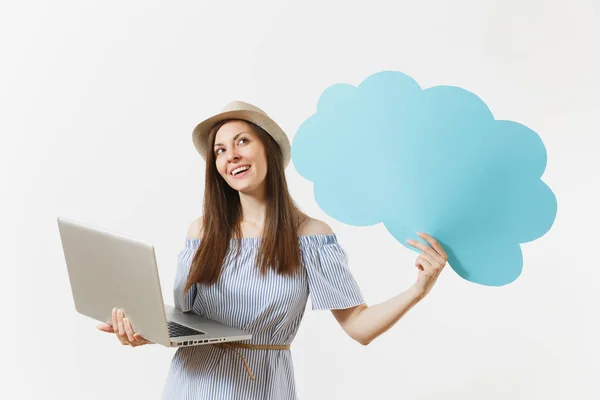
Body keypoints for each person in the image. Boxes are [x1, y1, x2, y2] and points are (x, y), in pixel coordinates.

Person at [97, 101, 449, 399]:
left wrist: (418, 289)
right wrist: (145, 332)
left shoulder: (310, 236)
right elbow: (186, 325)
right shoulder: (201, 232)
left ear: (269, 148)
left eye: (242, 142)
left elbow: (359, 326)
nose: (230, 155)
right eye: (220, 150)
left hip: (263, 387)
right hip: (191, 387)